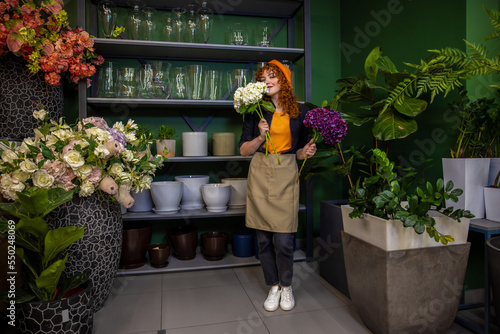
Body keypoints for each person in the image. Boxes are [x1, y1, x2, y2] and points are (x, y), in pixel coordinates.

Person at [239, 60, 316, 312]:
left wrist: (307, 151)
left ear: (284, 80)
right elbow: (243, 150)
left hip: (286, 173)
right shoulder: (255, 111)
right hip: (260, 172)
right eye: (263, 78)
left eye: (273, 76)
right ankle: (273, 286)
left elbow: (300, 153)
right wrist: (260, 136)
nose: (267, 81)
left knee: (283, 240)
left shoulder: (299, 112)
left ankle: (287, 285)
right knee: (263, 240)